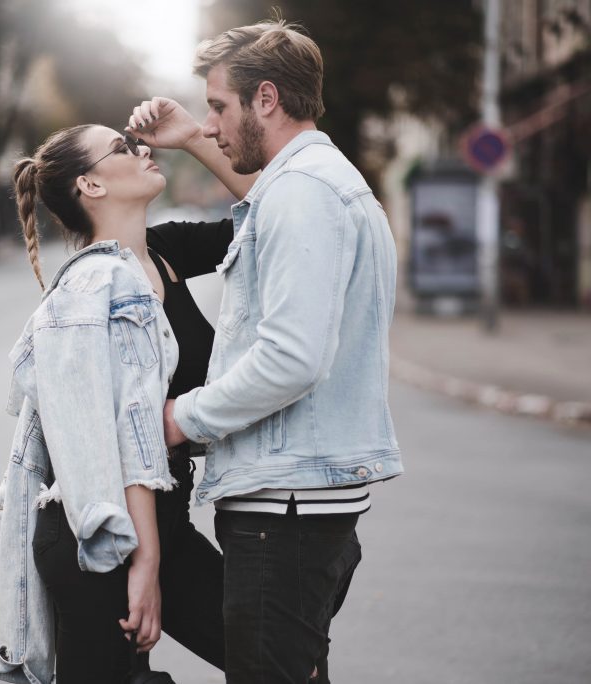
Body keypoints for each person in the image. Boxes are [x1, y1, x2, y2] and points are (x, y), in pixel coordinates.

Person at [158, 20, 405, 684]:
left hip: (285, 512)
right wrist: (186, 140)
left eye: (218, 107)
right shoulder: (314, 184)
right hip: (298, 504)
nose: (210, 125)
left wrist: (183, 418)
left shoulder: (305, 193)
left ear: (265, 98)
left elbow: (292, 358)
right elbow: (261, 207)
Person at [0, 105, 255, 684]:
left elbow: (274, 213)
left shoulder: (163, 252)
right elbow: (123, 432)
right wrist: (145, 560)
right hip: (100, 534)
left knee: (276, 656)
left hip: (161, 522)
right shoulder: (91, 290)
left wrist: (192, 139)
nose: (141, 149)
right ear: (91, 183)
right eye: (122, 147)